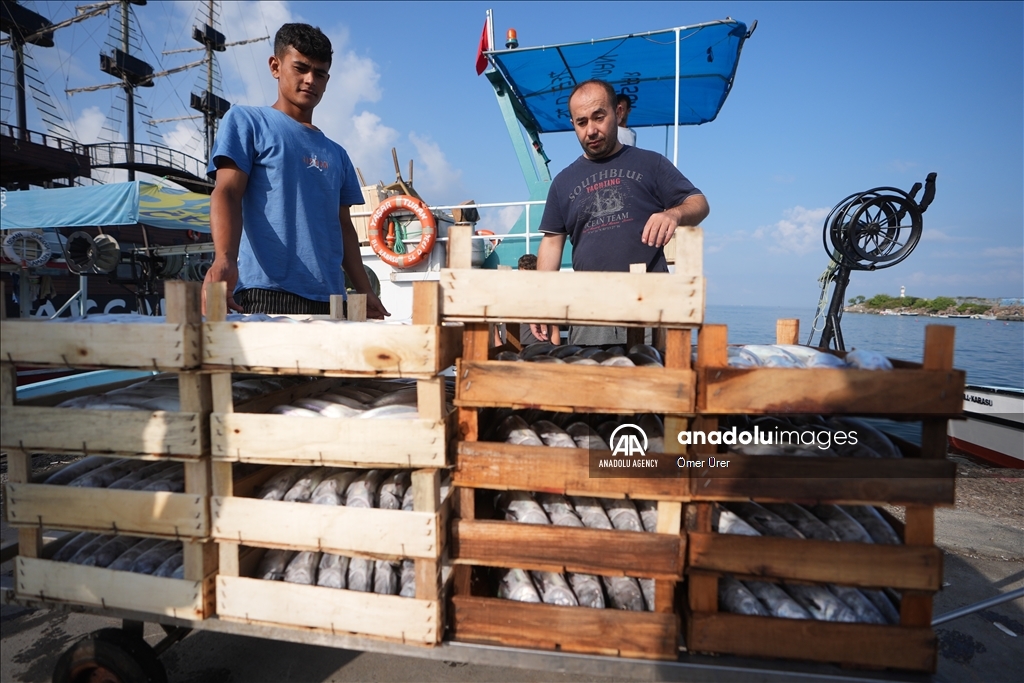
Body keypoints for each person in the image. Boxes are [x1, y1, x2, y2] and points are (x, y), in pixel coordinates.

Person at [202, 23, 388, 318]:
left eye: (320, 73)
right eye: (300, 68)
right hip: (265, 294)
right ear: (275, 66)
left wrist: (365, 290)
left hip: (332, 301)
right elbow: (227, 192)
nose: (310, 79)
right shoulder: (247, 122)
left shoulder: (337, 154)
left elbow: (343, 227)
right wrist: (224, 258)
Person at [531, 79, 709, 345]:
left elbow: (699, 203)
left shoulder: (651, 163)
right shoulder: (562, 181)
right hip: (589, 313)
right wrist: (541, 301)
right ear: (573, 125)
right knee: (592, 381)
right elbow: (552, 243)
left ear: (619, 113)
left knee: (654, 381)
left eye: (599, 117)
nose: (591, 130)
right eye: (581, 123)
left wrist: (673, 215)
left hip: (650, 305)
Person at [516, 253, 559, 346]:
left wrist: (555, 351)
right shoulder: (515, 295)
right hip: (521, 347)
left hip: (541, 346)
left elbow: (554, 328)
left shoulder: (545, 297)